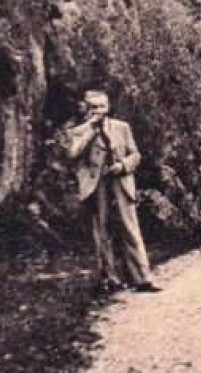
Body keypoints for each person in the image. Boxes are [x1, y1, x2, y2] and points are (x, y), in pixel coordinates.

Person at [58, 89, 160, 294]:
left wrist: (122, 166)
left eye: (102, 106)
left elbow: (135, 154)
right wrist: (90, 131)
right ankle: (110, 280)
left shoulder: (122, 128)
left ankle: (142, 279)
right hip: (97, 187)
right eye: (93, 107)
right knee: (102, 232)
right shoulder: (77, 131)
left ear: (108, 107)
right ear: (85, 108)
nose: (98, 111)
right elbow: (72, 154)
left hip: (121, 183)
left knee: (130, 229)